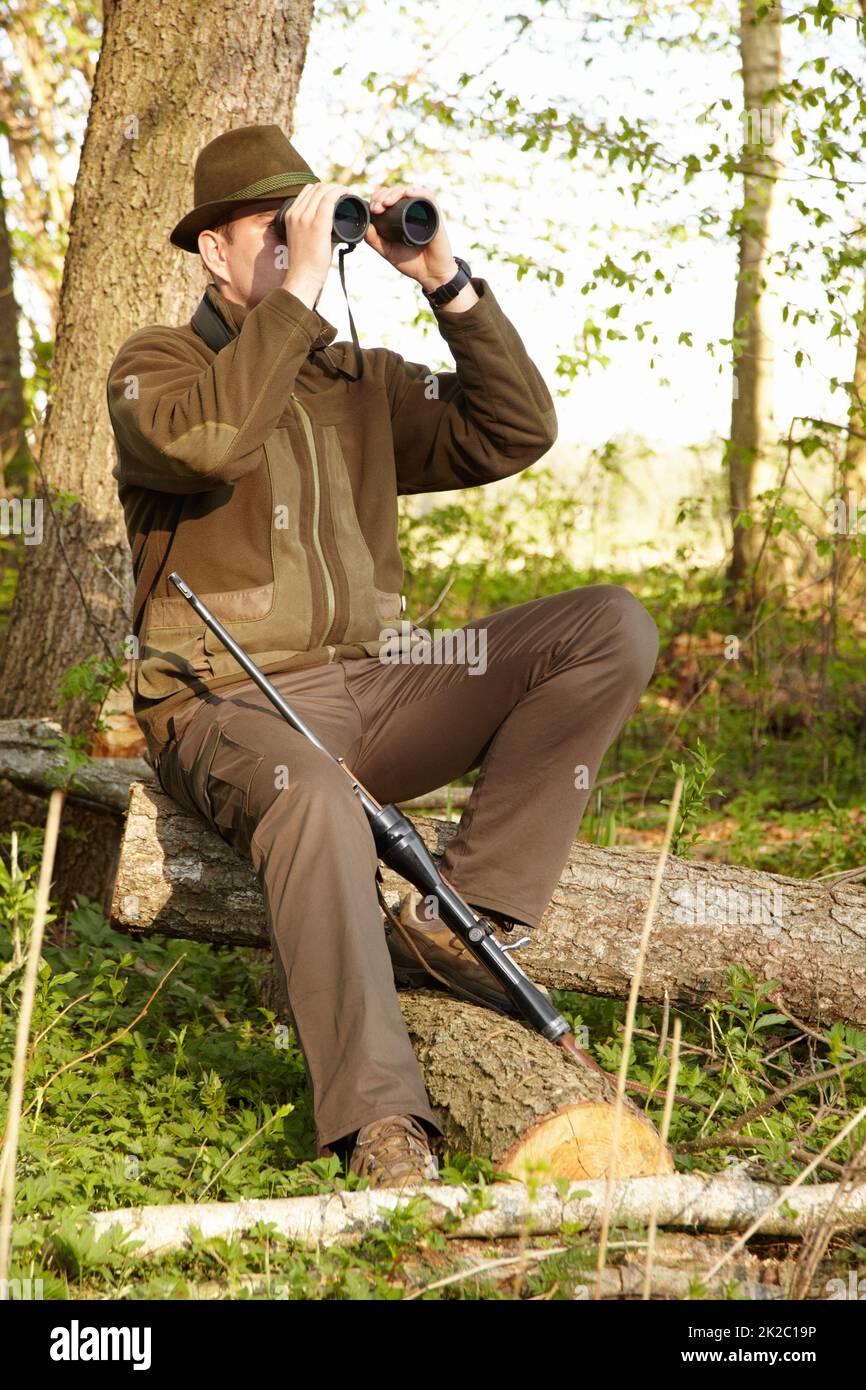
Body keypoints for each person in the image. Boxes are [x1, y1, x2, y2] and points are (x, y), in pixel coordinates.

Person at [106, 124, 659, 1191]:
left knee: (606, 625)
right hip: (224, 706)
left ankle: (465, 917)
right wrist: (299, 294)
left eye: (312, 225)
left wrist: (445, 281)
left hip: (369, 687)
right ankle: (383, 1126)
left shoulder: (354, 379)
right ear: (213, 252)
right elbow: (203, 445)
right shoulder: (160, 367)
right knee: (311, 794)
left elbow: (513, 431)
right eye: (275, 231)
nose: (299, 245)